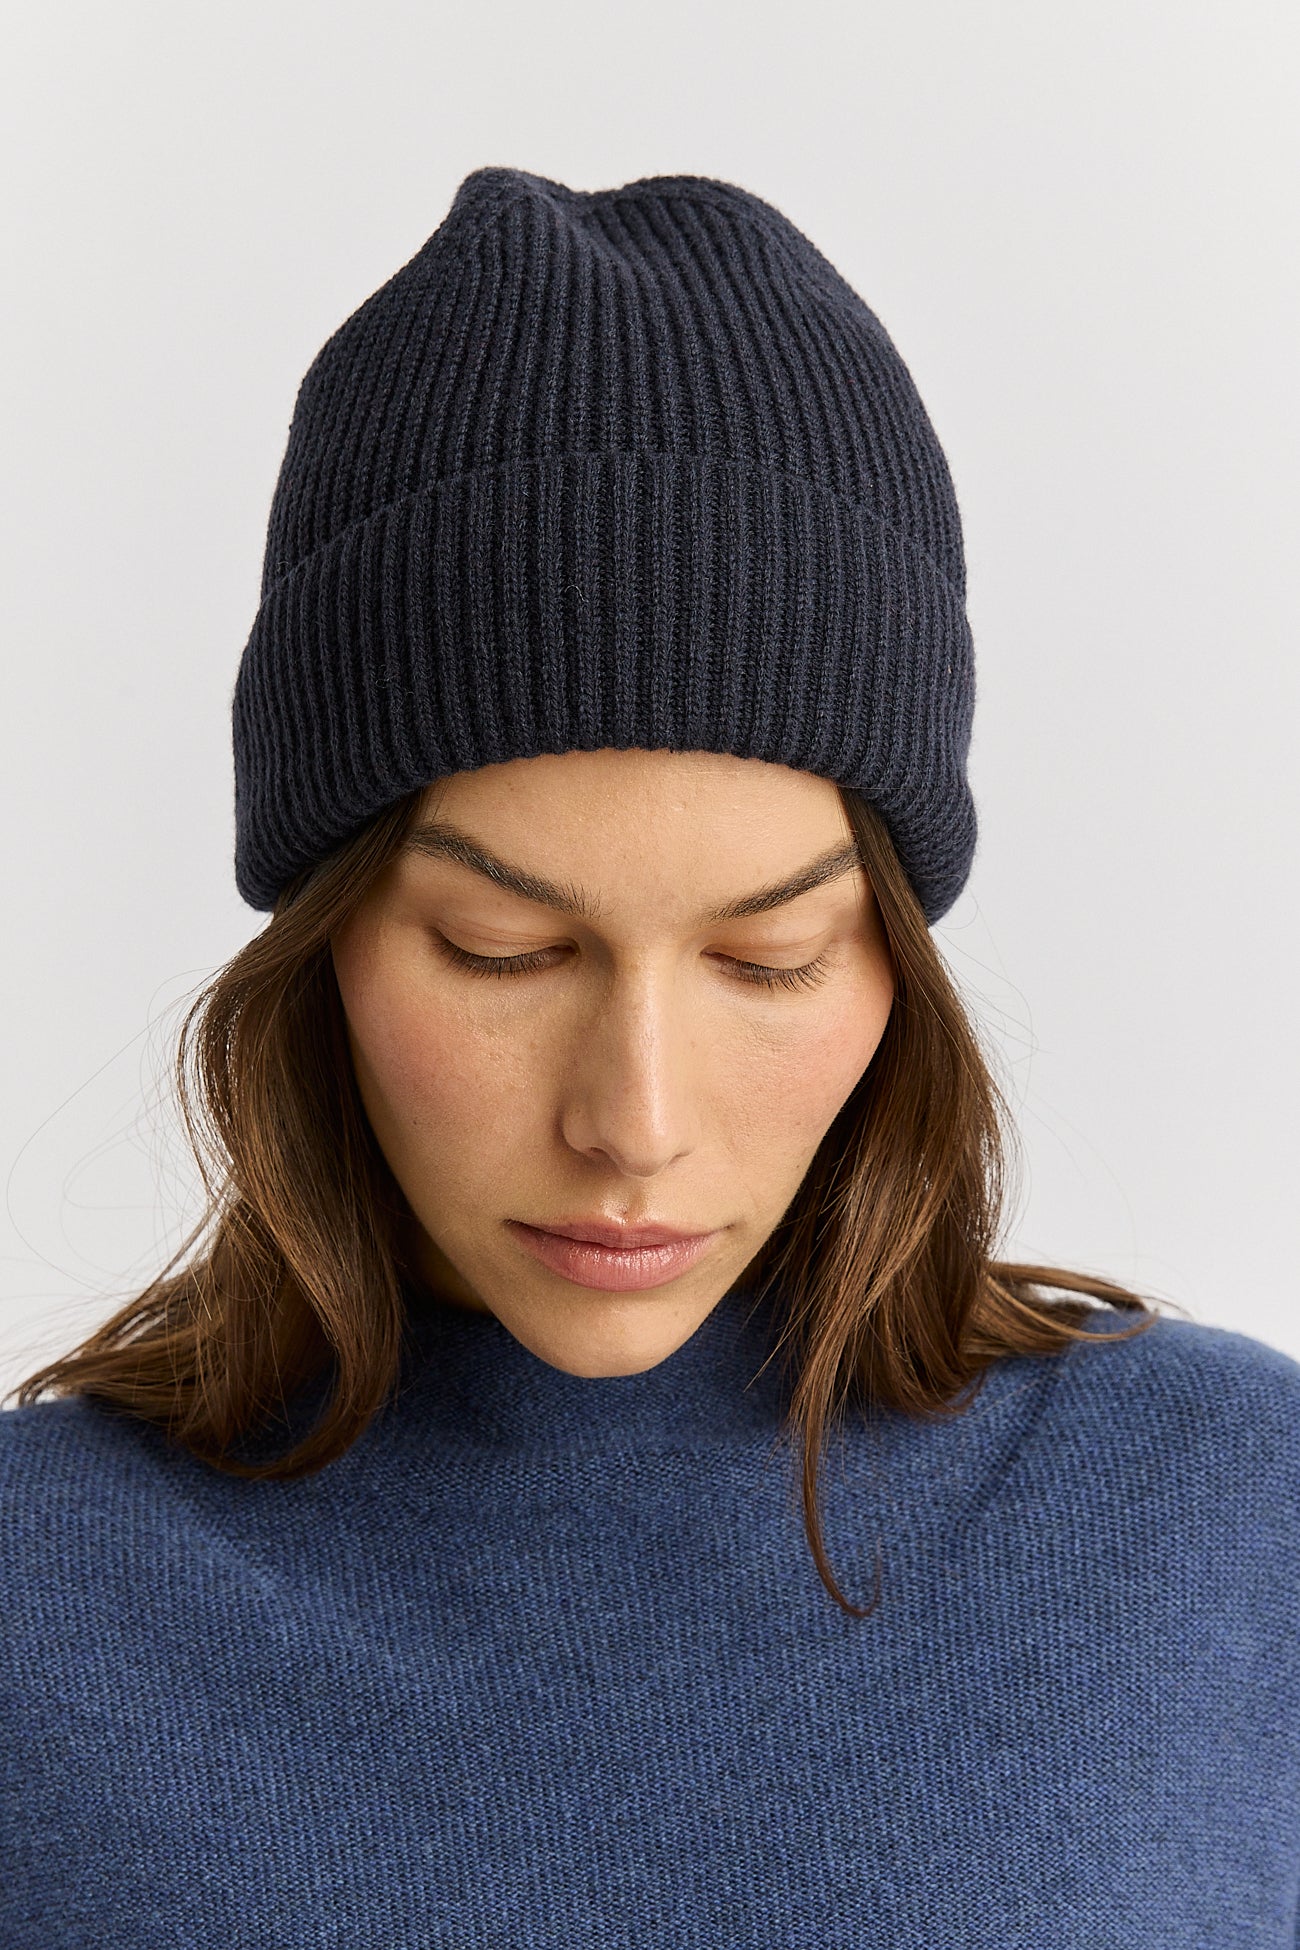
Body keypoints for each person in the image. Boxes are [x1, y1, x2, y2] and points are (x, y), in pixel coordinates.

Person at [2, 165, 1297, 1948]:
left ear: (895, 959)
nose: (638, 1121)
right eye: (503, 950)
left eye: (770, 960)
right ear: (326, 943)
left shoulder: (1229, 1517)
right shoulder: (39, 1598)